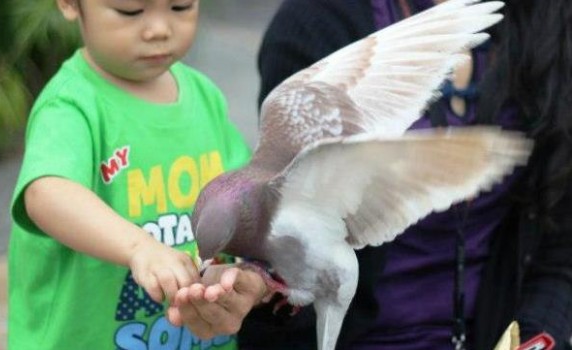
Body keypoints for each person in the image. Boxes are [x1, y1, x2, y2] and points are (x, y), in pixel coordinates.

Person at [170, 0, 572, 349]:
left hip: (499, 331)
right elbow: (285, 240)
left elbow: (561, 241)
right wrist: (254, 288)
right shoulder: (317, 21)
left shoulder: (550, 19)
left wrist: (538, 337)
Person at [6, 0, 252, 348]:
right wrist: (140, 248)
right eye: (130, 11)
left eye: (181, 6)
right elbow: (46, 193)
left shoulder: (204, 96)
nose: (159, 29)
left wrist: (246, 276)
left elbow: (244, 200)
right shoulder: (71, 104)